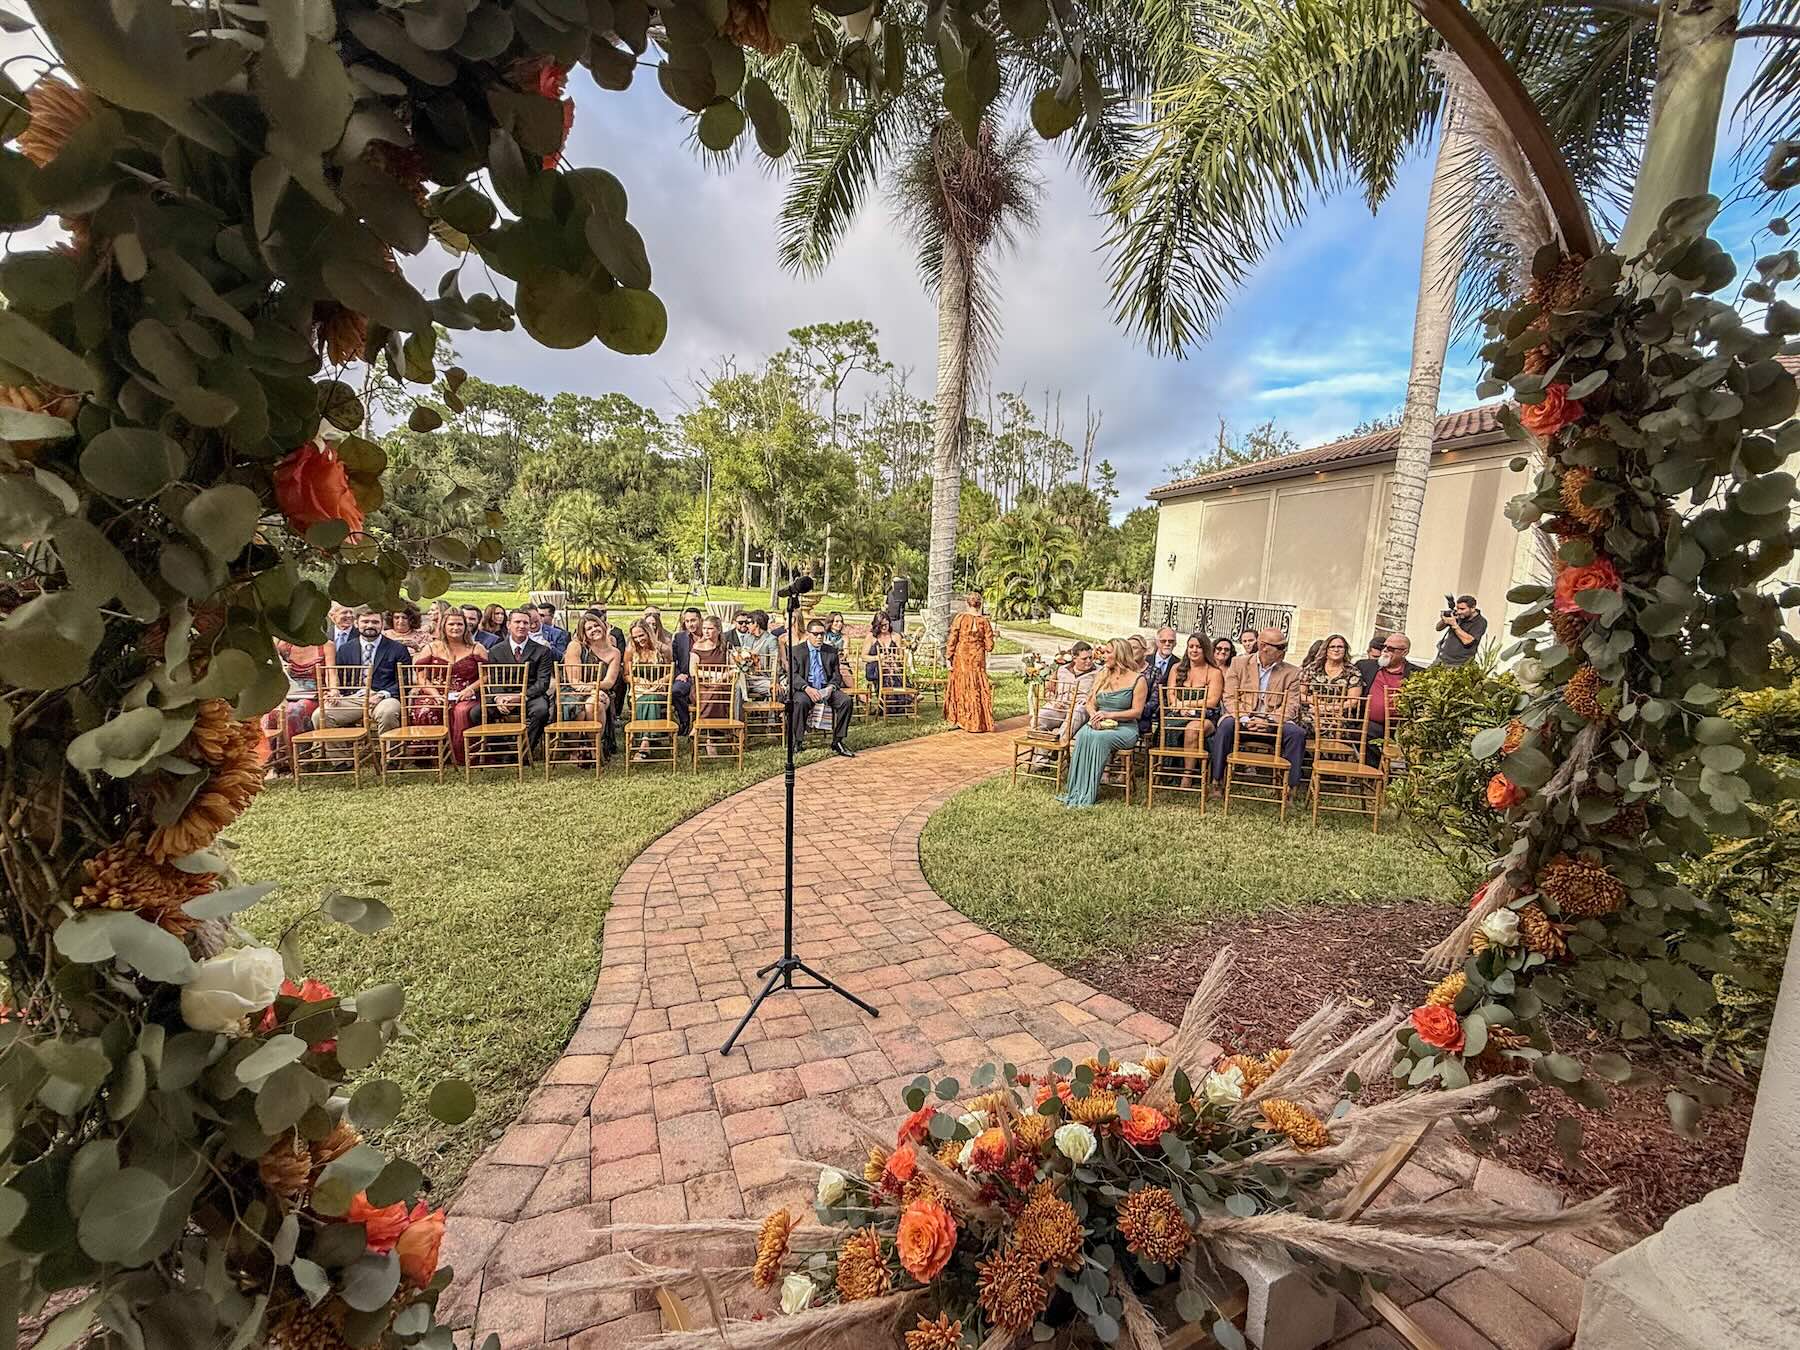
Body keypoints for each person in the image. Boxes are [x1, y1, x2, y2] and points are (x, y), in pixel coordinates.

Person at [1210, 626, 1306, 790]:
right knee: (1225, 726)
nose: (1285, 650)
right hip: (1242, 719)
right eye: (1281, 647)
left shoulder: (1292, 672)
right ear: (1263, 646)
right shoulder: (1239, 664)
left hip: (1272, 723)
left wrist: (1268, 721)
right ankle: (1216, 782)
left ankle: (1289, 789)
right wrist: (1246, 719)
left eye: (1285, 646)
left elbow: (1291, 705)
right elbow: (1230, 697)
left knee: (1298, 734)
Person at [1055, 639, 1147, 809]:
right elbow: (1090, 702)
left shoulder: (1138, 680)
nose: (1104, 656)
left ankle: (1089, 792)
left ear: (1119, 654)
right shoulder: (1102, 674)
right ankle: (1076, 789)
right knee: (1083, 734)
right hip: (1100, 723)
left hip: (1125, 728)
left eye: (1108, 652)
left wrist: (1110, 714)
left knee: (1099, 739)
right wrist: (1095, 716)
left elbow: (1137, 712)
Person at [412, 609, 487, 764]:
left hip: (467, 694)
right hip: (435, 693)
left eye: (460, 624)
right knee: (426, 710)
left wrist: (470, 689)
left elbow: (486, 675)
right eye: (451, 624)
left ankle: (462, 756)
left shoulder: (476, 648)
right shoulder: (431, 648)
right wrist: (434, 694)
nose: (455, 627)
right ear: (443, 626)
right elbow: (421, 677)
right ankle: (431, 757)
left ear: (466, 627)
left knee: (461, 711)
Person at [321, 606, 409, 735]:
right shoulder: (345, 649)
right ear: (356, 624)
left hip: (384, 698)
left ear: (382, 624)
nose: (370, 625)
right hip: (354, 698)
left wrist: (381, 694)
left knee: (388, 713)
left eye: (375, 622)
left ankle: (391, 754)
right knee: (320, 715)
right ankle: (341, 754)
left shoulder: (397, 649)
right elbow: (337, 676)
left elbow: (405, 681)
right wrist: (334, 692)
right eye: (365, 622)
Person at [263, 637, 335, 776]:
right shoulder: (282, 644)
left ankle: (300, 761)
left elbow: (331, 673)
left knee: (293, 712)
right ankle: (275, 763)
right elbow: (269, 663)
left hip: (314, 694)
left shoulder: (326, 645)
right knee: (270, 714)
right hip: (287, 692)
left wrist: (334, 690)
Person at [487, 608, 555, 754]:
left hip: (531, 696)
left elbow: (542, 683)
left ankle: (524, 751)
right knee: (475, 712)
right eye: (517, 622)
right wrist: (499, 698)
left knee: (541, 711)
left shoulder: (542, 651)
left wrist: (520, 697)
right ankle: (501, 752)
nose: (522, 626)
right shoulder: (495, 651)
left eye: (526, 622)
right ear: (508, 625)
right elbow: (493, 681)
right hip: (504, 696)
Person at [788, 616, 854, 757]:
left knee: (846, 701)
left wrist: (831, 688)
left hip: (826, 687)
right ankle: (797, 741)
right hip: (806, 688)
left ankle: (838, 741)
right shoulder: (796, 651)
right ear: (808, 634)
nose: (819, 637)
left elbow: (837, 676)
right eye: (815, 634)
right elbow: (793, 676)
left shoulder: (830, 651)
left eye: (821, 634)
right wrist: (807, 688)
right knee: (800, 702)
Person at [1165, 633, 1224, 788]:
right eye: (1191, 646)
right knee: (1168, 724)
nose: (1194, 650)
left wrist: (1187, 705)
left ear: (1205, 650)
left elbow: (1212, 701)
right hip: (1178, 712)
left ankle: (1187, 775)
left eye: (1198, 647)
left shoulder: (1214, 672)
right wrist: (1177, 705)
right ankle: (1167, 770)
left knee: (1192, 729)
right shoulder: (1176, 668)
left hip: (1206, 716)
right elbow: (1170, 693)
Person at [1356, 633, 1424, 767]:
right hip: (1372, 724)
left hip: (1402, 726)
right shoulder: (1365, 666)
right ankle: (1378, 772)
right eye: (1384, 646)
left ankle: (1403, 780)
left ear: (1404, 652)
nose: (1385, 650)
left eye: (1391, 649)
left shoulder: (1418, 674)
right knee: (1362, 732)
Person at [1032, 641, 1098, 767]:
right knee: (1039, 718)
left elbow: (1102, 693)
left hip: (1081, 707)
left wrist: (1090, 700)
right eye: (1084, 658)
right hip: (1060, 706)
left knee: (1078, 711)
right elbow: (1049, 689)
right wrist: (1052, 699)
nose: (1089, 661)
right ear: (1074, 658)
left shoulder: (1099, 672)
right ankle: (1042, 760)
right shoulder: (1062, 670)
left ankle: (1057, 746)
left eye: (1091, 657)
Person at [561, 612, 622, 740]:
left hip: (600, 690)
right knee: (579, 709)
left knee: (594, 705)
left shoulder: (615, 652)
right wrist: (593, 690)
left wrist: (595, 688)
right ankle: (575, 747)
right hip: (573, 691)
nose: (594, 629)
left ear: (603, 626)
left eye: (596, 625)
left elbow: (609, 682)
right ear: (583, 633)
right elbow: (574, 681)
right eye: (589, 628)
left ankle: (593, 746)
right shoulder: (576, 646)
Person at [945, 592, 997, 732]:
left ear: (967, 603)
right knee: (977, 686)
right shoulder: (984, 622)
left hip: (962, 655)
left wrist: (948, 656)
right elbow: (989, 646)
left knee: (962, 686)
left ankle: (963, 720)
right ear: (980, 605)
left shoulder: (960, 618)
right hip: (977, 657)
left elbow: (952, 639)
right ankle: (978, 722)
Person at [689, 614, 735, 754]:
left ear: (718, 630)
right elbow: (692, 671)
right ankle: (711, 738)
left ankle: (701, 728)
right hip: (701, 685)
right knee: (712, 693)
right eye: (704, 628)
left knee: (718, 691)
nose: (706, 631)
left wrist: (723, 676)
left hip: (721, 685)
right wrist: (712, 675)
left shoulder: (725, 647)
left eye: (710, 628)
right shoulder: (697, 646)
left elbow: (734, 668)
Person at [669, 606, 704, 735]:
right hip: (686, 677)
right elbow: (673, 660)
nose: (690, 624)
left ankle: (707, 724)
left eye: (693, 620)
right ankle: (684, 721)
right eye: (687, 621)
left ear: (700, 620)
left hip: (706, 677)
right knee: (675, 691)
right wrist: (678, 674)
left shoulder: (708, 636)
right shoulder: (679, 637)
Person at [1139, 626, 1179, 738]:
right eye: (1163, 641)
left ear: (1175, 643)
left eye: (1171, 641)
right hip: (1143, 702)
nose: (1167, 644)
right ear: (1157, 642)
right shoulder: (1146, 660)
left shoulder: (1179, 665)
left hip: (1164, 706)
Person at [1434, 594, 1487, 667]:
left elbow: (1468, 641)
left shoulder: (1480, 622)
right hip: (1442, 659)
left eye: (1462, 609)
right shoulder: (1459, 616)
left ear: (1472, 608)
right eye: (1458, 608)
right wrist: (1444, 620)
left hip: (1460, 664)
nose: (1458, 612)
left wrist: (1455, 625)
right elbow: (1438, 628)